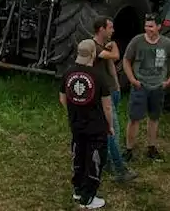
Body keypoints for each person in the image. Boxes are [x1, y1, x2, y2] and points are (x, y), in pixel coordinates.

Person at [60, 39, 115, 209]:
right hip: (95, 127)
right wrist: (110, 126)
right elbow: (107, 106)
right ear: (93, 54)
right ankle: (88, 197)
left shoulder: (68, 73)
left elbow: (63, 98)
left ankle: (77, 189)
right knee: (94, 159)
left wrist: (75, 111)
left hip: (76, 125)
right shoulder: (98, 76)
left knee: (79, 155)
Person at [123, 14, 170, 163]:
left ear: (158, 27)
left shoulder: (167, 43)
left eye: (151, 26)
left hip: (158, 86)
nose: (147, 29)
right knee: (134, 118)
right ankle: (129, 149)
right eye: (146, 26)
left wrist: (168, 81)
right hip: (140, 85)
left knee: (154, 118)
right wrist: (132, 79)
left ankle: (152, 147)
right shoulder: (137, 41)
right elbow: (126, 59)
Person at [91, 17, 138, 183]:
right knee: (111, 131)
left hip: (112, 93)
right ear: (101, 29)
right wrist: (115, 46)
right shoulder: (93, 47)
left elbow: (111, 64)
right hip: (105, 97)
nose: (113, 30)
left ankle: (108, 162)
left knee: (111, 132)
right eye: (110, 27)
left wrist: (117, 86)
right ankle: (120, 169)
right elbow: (116, 56)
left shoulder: (104, 47)